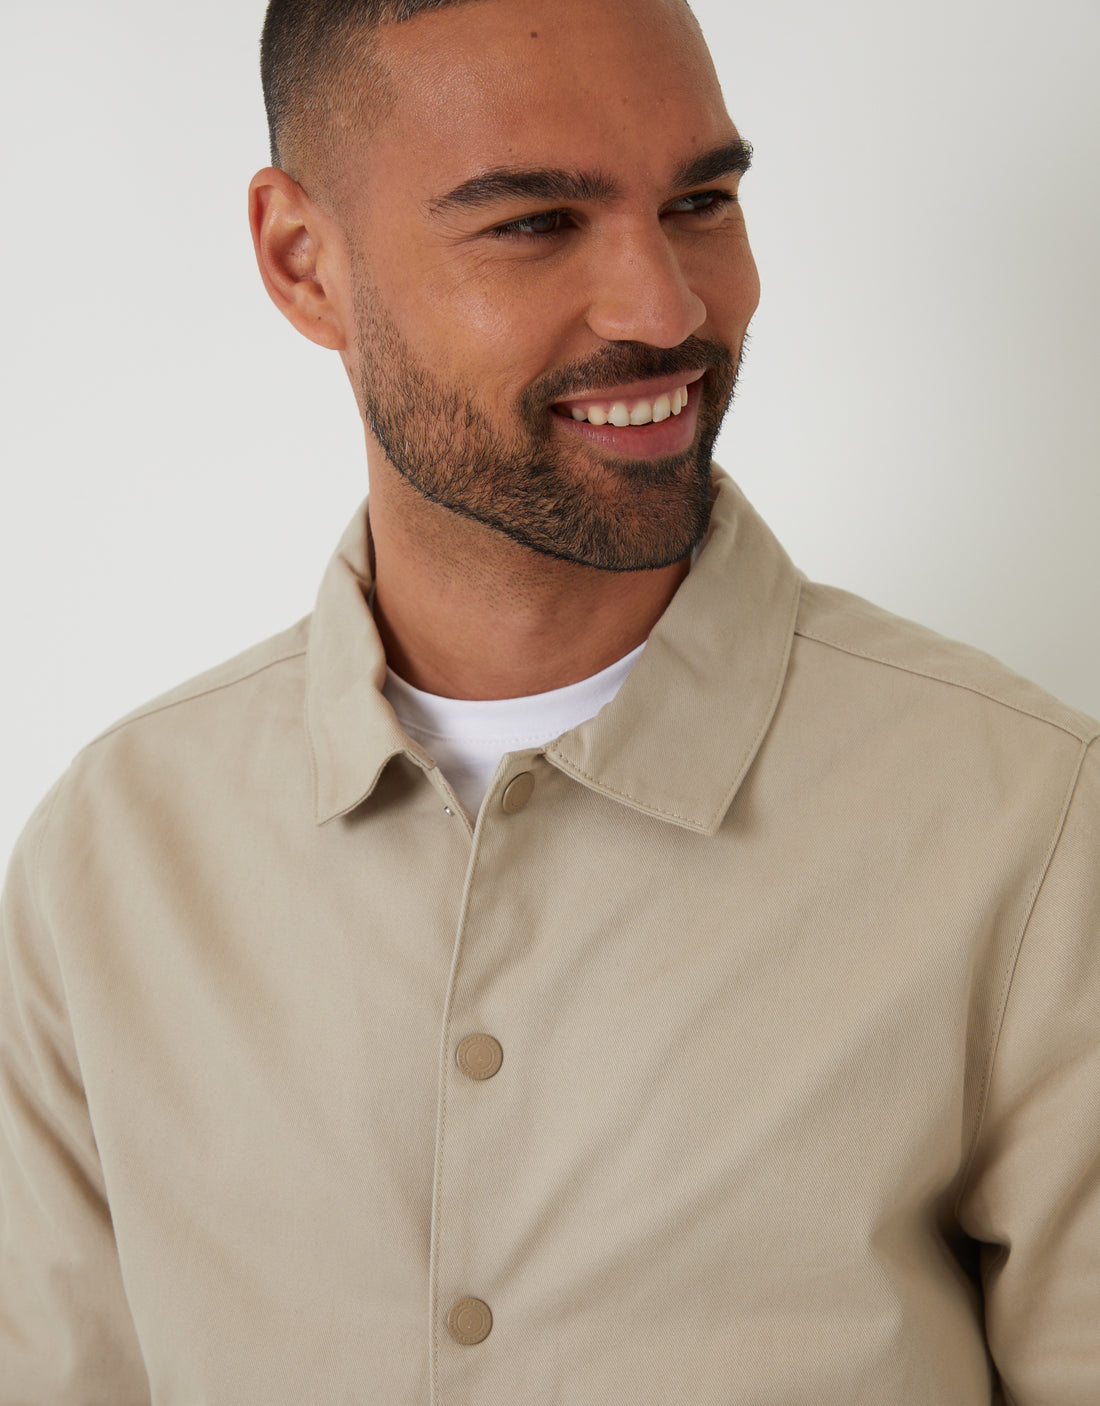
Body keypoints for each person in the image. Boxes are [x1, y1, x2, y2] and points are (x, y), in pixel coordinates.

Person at [1, 0, 1097, 1401]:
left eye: (700, 202)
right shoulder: (110, 858)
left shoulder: (1034, 824)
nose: (666, 310)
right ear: (302, 261)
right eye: (534, 224)